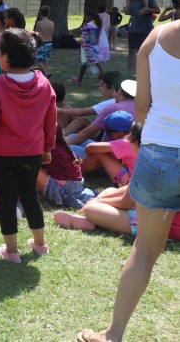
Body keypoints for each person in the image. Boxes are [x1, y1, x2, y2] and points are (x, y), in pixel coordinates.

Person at [77, 18, 180, 342]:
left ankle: (113, 335)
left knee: (145, 252)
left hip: (159, 153)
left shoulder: (156, 37)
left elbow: (142, 108)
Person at [0, 28, 56, 263]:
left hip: (3, 155)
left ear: (6, 57)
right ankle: (41, 244)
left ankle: (11, 252)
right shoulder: (44, 84)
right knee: (30, 196)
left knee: (8, 200)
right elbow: (51, 122)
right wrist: (47, 147)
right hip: (32, 152)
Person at [37, 127, 95, 209]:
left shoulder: (51, 150)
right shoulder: (61, 146)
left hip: (65, 190)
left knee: (28, 167)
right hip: (75, 186)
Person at [80, 114, 138, 184]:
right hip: (140, 178)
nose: (108, 133)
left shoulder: (126, 142)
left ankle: (76, 172)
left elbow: (89, 148)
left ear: (120, 132)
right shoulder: (140, 136)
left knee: (100, 153)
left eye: (109, 131)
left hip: (130, 182)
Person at [124, 0, 160, 74]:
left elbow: (157, 11)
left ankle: (148, 74)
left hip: (146, 29)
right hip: (133, 29)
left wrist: (146, 9)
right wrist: (127, 11)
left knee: (146, 52)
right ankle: (130, 74)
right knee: (132, 52)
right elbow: (131, 12)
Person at [72, 9, 106, 85]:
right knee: (87, 63)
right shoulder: (96, 24)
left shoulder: (89, 25)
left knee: (99, 65)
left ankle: (104, 83)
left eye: (86, 16)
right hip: (93, 47)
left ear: (89, 17)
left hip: (89, 48)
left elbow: (88, 37)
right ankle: (79, 80)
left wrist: (84, 42)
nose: (85, 18)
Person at [34, 6, 55, 72]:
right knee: (45, 60)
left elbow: (36, 34)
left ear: (40, 14)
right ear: (48, 13)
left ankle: (47, 73)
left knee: (38, 60)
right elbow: (52, 34)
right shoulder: (52, 23)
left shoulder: (39, 23)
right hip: (50, 43)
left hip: (42, 44)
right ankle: (45, 77)